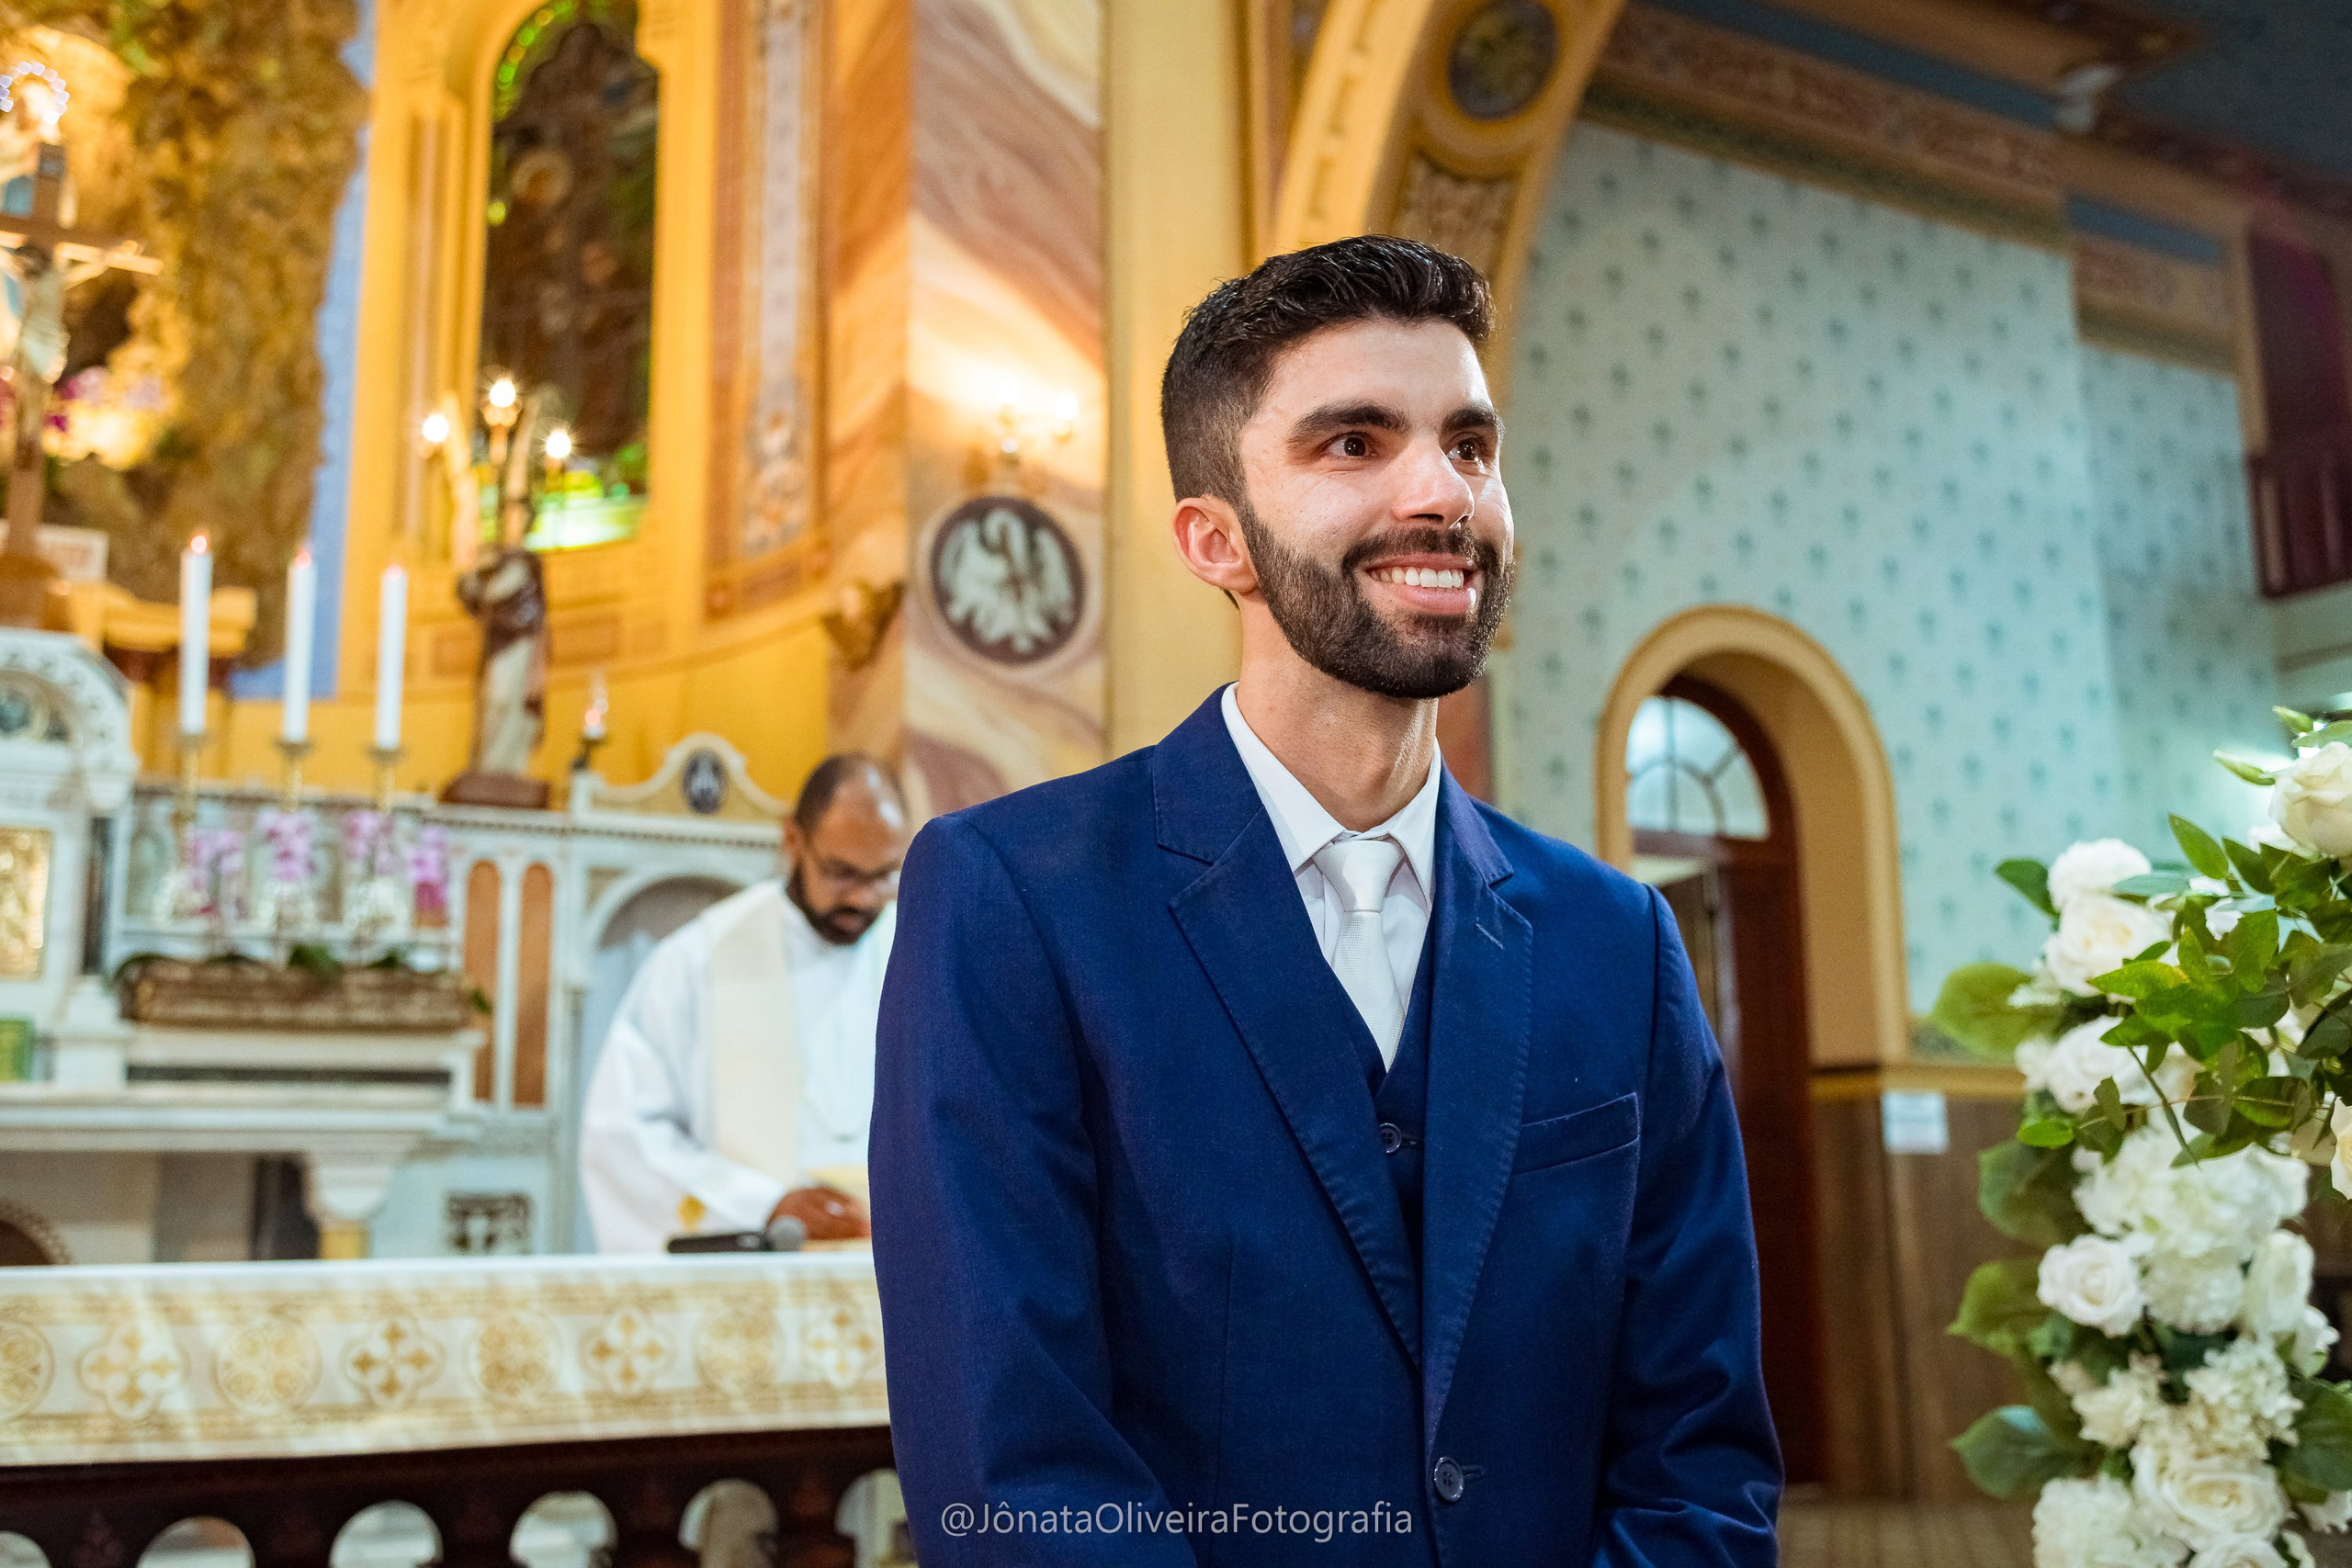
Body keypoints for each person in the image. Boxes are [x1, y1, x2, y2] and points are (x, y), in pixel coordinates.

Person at [870, 237, 1780, 1564]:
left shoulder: (1619, 942)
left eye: (1469, 445)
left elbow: (1698, 1454)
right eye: (1354, 443)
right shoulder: (1013, 898)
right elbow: (1014, 1466)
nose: (1442, 492)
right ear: (1216, 540)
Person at [582, 754, 908, 1253]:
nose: (863, 899)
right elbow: (624, 1136)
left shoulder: (920, 956)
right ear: (793, 841)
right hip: (757, 1268)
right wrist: (764, 1205)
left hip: (894, 1273)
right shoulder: (698, 960)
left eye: (883, 875)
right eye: (842, 873)